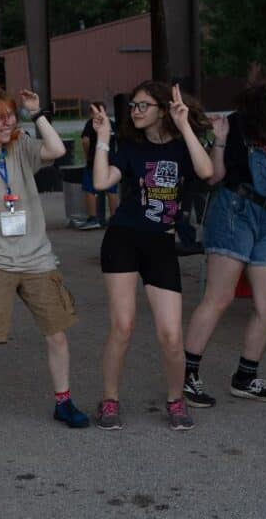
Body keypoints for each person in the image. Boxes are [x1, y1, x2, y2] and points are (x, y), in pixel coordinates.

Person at [0, 85, 89, 435]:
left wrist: (37, 114)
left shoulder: (21, 146)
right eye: (0, 116)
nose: (9, 121)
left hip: (38, 258)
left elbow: (55, 149)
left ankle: (64, 402)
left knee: (57, 335)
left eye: (11, 113)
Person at [182, 84, 266, 407]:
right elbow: (214, 177)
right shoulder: (236, 124)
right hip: (234, 210)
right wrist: (221, 140)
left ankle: (245, 376)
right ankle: (186, 376)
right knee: (220, 296)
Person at [91, 82, 213, 431]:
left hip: (160, 243)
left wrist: (185, 124)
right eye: (132, 106)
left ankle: (176, 401)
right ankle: (109, 401)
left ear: (163, 109)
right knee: (123, 326)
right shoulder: (130, 147)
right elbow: (101, 182)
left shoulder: (181, 148)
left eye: (143, 105)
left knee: (172, 335)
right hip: (123, 239)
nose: (136, 111)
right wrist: (103, 137)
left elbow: (206, 172)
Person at [77, 110, 119, 230]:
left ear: (91, 113)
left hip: (95, 162)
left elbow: (85, 141)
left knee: (89, 188)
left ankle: (93, 218)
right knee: (112, 190)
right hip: (111, 160)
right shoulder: (111, 123)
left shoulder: (91, 123)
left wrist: (87, 156)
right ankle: (114, 218)